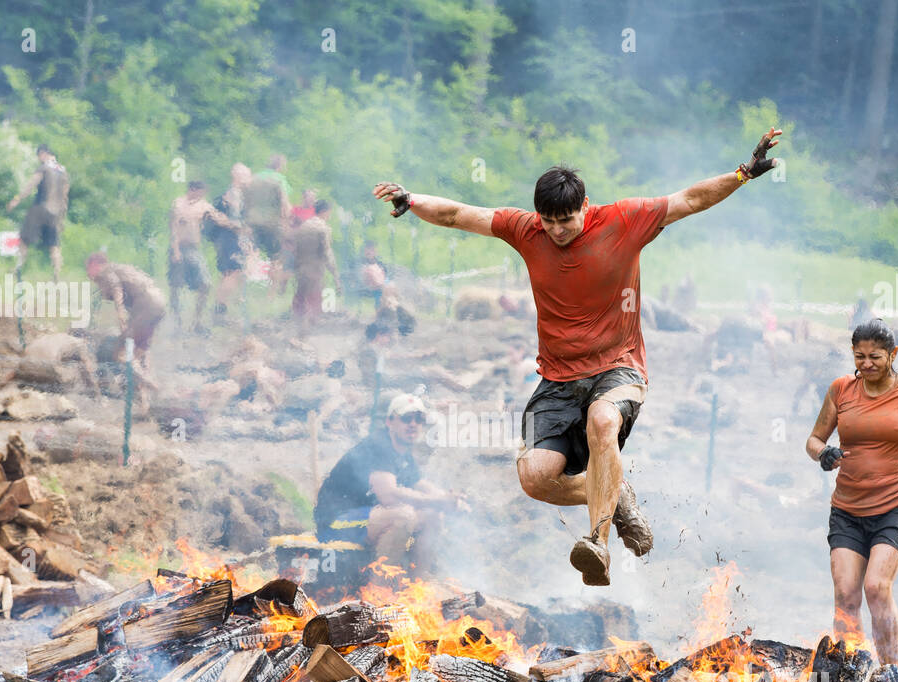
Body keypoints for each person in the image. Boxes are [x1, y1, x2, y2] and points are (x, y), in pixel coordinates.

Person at [373, 128, 783, 585]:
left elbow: (688, 200)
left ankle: (598, 543)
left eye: (566, 220)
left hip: (619, 367)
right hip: (557, 380)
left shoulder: (625, 220)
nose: (558, 230)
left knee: (603, 421)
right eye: (549, 222)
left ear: (585, 207)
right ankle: (613, 491)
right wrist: (411, 200)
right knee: (534, 478)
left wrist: (744, 173)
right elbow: (458, 214)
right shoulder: (526, 230)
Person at [805, 319, 898, 667]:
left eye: (875, 356)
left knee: (876, 587)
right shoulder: (841, 389)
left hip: (896, 507)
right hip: (846, 508)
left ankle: (893, 674)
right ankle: (852, 675)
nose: (866, 364)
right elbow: (813, 440)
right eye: (859, 357)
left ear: (893, 354)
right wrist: (823, 453)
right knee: (845, 594)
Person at [314, 393, 467, 569]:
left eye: (419, 419)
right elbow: (389, 496)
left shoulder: (403, 453)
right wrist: (439, 501)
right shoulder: (378, 446)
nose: (413, 424)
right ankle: (381, 588)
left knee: (432, 515)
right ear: (389, 422)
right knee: (403, 516)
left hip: (366, 518)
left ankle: (420, 585)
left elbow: (421, 485)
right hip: (336, 521)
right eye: (406, 418)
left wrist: (453, 500)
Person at [86, 252, 167, 406]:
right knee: (140, 352)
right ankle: (145, 402)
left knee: (120, 353)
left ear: (95, 265)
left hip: (146, 304)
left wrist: (120, 313)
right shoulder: (121, 269)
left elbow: (116, 287)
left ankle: (154, 386)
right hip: (158, 301)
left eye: (88, 268)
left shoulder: (106, 271)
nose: (88, 274)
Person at [169, 181, 247, 332]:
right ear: (193, 189)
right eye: (200, 191)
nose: (202, 195)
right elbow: (173, 228)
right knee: (176, 286)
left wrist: (236, 226)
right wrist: (175, 250)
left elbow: (219, 219)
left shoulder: (203, 205)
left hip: (193, 250)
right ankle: (176, 322)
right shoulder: (178, 204)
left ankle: (196, 321)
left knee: (205, 284)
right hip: (178, 248)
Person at [8, 145, 70, 281]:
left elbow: (30, 185)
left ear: (43, 154)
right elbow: (65, 198)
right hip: (55, 214)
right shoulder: (63, 171)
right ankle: (57, 274)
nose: (39, 159)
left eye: (39, 156)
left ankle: (18, 268)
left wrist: (16, 199)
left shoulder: (43, 168)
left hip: (40, 209)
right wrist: (61, 218)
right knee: (54, 245)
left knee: (24, 239)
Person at [204, 163, 254, 320]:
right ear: (238, 177)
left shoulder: (236, 194)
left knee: (232, 273)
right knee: (233, 272)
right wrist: (243, 234)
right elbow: (232, 222)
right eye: (247, 176)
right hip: (230, 240)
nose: (250, 179)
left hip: (229, 239)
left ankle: (222, 309)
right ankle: (219, 311)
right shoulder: (234, 195)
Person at [290, 199, 341, 327]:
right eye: (329, 212)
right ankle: (309, 327)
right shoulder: (323, 229)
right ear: (324, 212)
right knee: (314, 297)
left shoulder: (303, 227)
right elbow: (327, 253)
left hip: (301, 267)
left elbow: (295, 249)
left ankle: (298, 323)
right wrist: (335, 274)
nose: (329, 215)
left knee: (301, 295)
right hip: (315, 268)